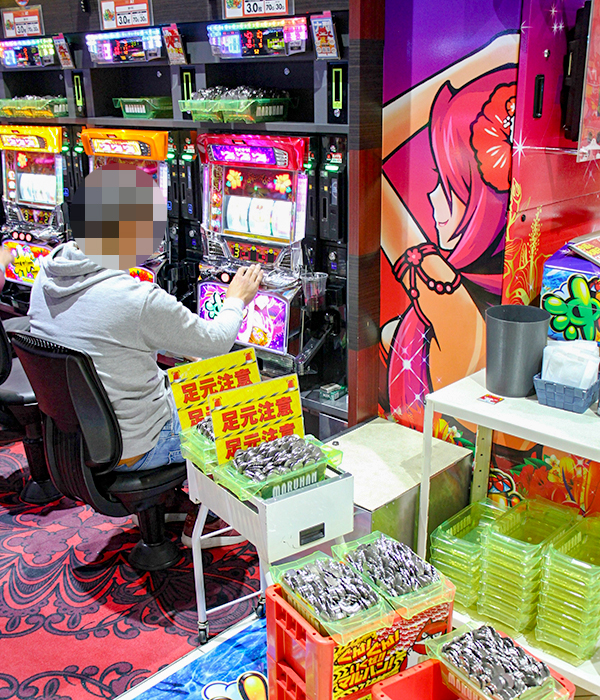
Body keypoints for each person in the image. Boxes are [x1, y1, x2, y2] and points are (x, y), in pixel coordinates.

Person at [28, 164, 263, 545]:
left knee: (187, 377)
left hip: (78, 441)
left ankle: (169, 499)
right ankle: (212, 517)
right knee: (250, 401)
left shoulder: (48, 273)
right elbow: (216, 341)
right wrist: (236, 298)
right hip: (139, 445)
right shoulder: (134, 298)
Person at [380, 36, 518, 429]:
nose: (431, 195)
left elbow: (373, 141)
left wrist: (487, 58)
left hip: (420, 461)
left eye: (446, 182)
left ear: (482, 204)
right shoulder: (495, 299)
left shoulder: (442, 287)